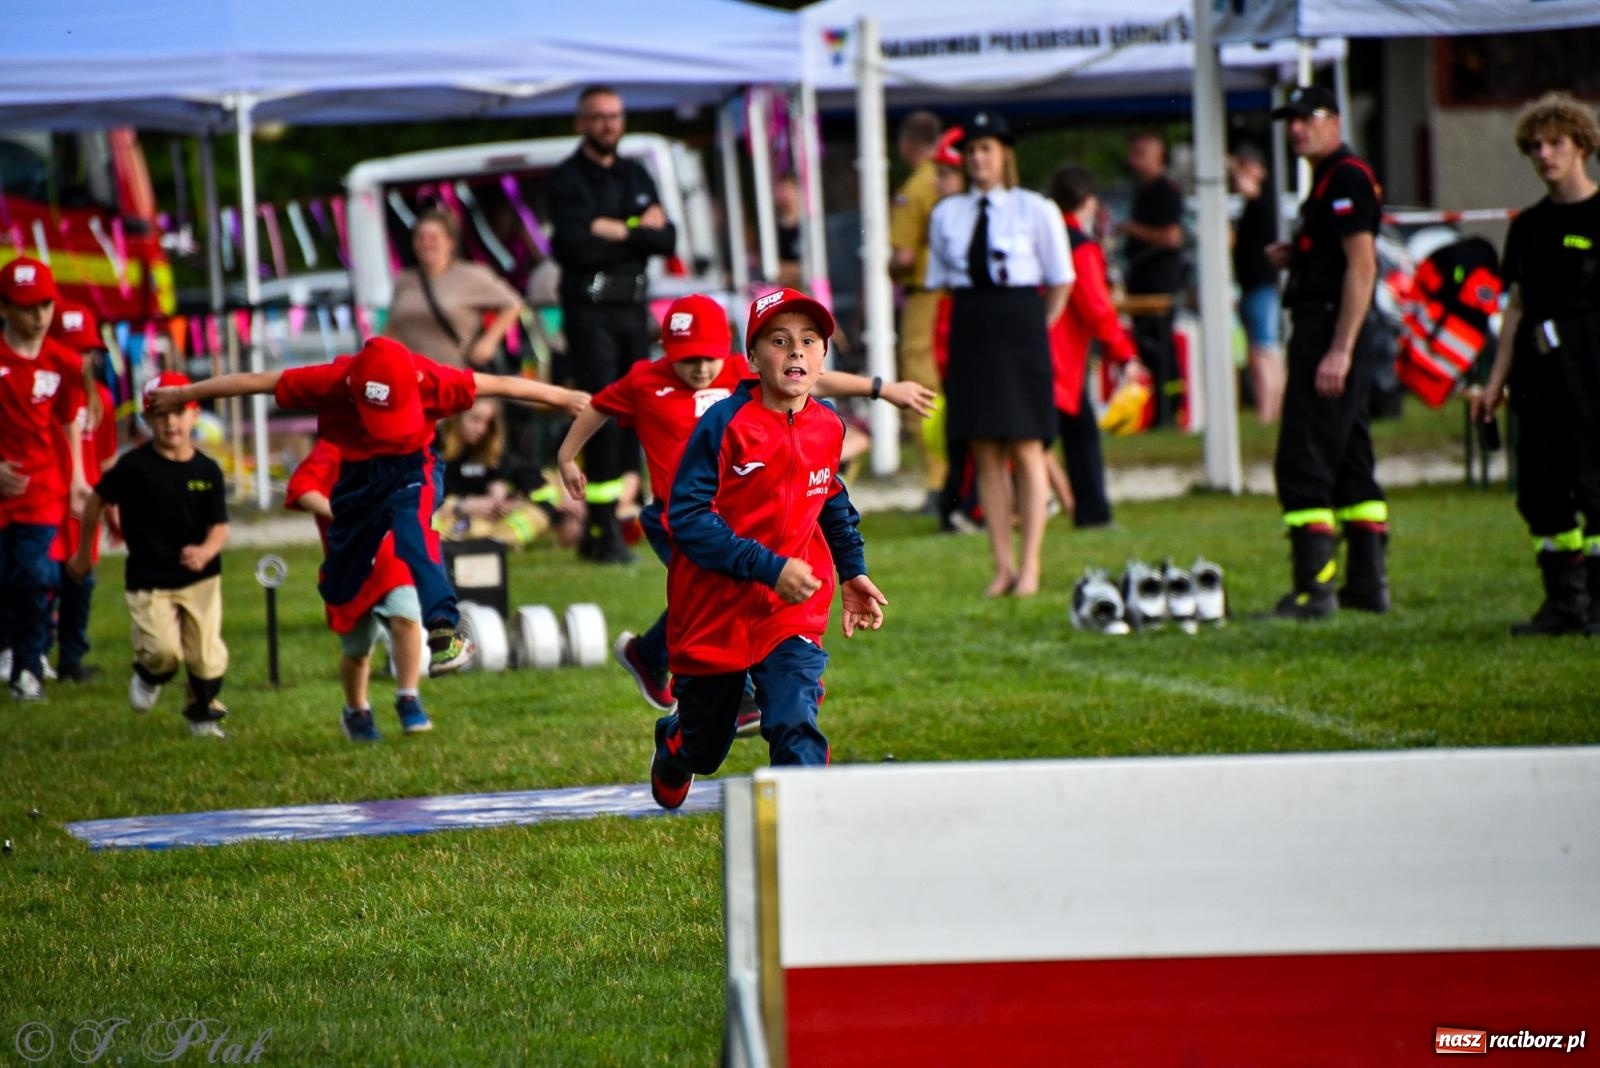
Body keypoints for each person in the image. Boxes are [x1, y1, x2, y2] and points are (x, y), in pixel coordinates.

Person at [556, 292, 931, 725]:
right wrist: (567, 456)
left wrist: (882, 389)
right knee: (708, 591)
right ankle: (738, 696)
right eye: (687, 359)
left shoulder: (746, 372)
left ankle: (652, 657)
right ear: (667, 353)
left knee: (722, 588)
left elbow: (816, 378)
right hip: (675, 518)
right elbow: (598, 406)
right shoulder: (645, 381)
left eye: (709, 358)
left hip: (735, 516)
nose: (700, 369)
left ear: (734, 351)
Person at [145, 337, 591, 674]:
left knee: (413, 534)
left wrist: (564, 397)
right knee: (340, 585)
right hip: (357, 479)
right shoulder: (333, 379)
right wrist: (186, 396)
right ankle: (349, 583)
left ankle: (443, 632)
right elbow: (255, 382)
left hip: (413, 468)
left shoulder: (433, 378)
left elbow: (502, 383)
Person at [646, 289, 888, 810]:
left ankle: (805, 827)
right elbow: (686, 518)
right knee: (708, 746)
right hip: (713, 610)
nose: (795, 352)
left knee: (794, 717)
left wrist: (852, 572)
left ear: (823, 358)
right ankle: (675, 742)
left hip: (790, 610)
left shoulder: (828, 425)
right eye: (779, 341)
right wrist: (767, 566)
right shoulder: (724, 424)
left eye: (808, 341)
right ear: (753, 358)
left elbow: (831, 498)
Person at [924, 111, 1074, 598]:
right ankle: (1002, 566)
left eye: (986, 148)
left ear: (1004, 154)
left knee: (1029, 446)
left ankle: (1030, 565)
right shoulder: (947, 212)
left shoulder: (1035, 208)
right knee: (984, 448)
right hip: (972, 322)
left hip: (1021, 321)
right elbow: (938, 279)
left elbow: (1061, 280)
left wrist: (1036, 324)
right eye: (970, 151)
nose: (977, 158)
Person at [1471, 92, 1600, 636]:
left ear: (1582, 148)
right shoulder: (1527, 228)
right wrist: (1495, 381)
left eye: (1556, 144)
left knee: (1596, 488)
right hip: (1537, 378)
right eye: (1536, 146)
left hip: (1592, 374)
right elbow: (1517, 306)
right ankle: (1563, 603)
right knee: (1541, 489)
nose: (1545, 155)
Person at [1266, 85, 1387, 619]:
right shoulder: (1326, 182)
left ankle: (1315, 590)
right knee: (1351, 458)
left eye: (1307, 117)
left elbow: (1363, 266)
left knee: (1304, 455)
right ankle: (1367, 584)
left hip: (1332, 330)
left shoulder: (1346, 177)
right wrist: (1300, 254)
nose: (1296, 128)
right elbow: (1338, 255)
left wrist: (1339, 349)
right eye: (1290, 119)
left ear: (1334, 121)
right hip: (1328, 324)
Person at [548, 85, 676, 564]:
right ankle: (598, 530)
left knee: (637, 412)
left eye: (615, 116)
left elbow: (667, 238)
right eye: (598, 117)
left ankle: (626, 520)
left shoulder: (635, 172)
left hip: (632, 312)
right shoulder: (567, 180)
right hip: (590, 312)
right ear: (581, 123)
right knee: (601, 410)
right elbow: (573, 248)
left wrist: (615, 228)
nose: (608, 124)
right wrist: (638, 229)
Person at [69, 373, 230, 736]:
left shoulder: (208, 471)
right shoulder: (133, 467)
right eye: (159, 414)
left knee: (206, 656)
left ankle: (202, 713)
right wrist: (82, 555)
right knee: (162, 651)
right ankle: (149, 673)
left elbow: (219, 527)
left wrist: (204, 552)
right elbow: (95, 501)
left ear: (194, 414)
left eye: (178, 412)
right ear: (147, 419)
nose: (170, 422)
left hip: (200, 576)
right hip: (149, 576)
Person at [286, 440, 429, 741]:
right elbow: (302, 489)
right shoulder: (335, 446)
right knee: (357, 650)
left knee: (406, 614)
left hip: (393, 552)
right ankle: (356, 711)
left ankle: (408, 697)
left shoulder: (400, 437)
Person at [0, 257, 87, 702]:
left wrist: (76, 479)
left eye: (45, 306)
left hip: (42, 490)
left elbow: (70, 419)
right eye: (27, 306)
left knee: (33, 577)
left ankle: (27, 667)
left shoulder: (65, 362)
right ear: (4, 308)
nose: (38, 317)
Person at [1047, 165, 1140, 529]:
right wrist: (1124, 354)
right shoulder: (1079, 247)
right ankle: (1092, 513)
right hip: (1062, 358)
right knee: (1071, 439)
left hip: (1037, 352)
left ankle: (1087, 511)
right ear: (1088, 202)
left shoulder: (1043, 238)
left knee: (1052, 438)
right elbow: (1096, 307)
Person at [47, 301, 119, 681]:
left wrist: (113, 505)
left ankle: (72, 659)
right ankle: (35, 652)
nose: (81, 359)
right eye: (73, 350)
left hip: (84, 509)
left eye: (87, 350)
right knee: (41, 581)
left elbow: (106, 459)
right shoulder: (44, 396)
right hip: (49, 503)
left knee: (81, 581)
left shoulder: (102, 400)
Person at [889, 109, 948, 511]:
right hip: (952, 296)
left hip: (924, 297)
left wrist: (886, 266)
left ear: (906, 145)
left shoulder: (915, 188)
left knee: (921, 386)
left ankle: (937, 481)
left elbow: (905, 257)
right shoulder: (949, 181)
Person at [435, 398, 584, 550]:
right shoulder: (436, 450)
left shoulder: (492, 450)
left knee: (539, 508)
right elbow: (428, 497)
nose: (481, 429)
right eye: (475, 420)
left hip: (489, 518)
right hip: (449, 513)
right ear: (456, 418)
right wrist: (461, 505)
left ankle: (488, 539)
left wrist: (508, 504)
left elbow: (506, 484)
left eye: (487, 423)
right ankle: (483, 539)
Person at [385, 209, 524, 371]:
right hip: (416, 376)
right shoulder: (404, 279)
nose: (426, 243)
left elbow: (513, 303)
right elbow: (393, 326)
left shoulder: (472, 275)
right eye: (420, 237)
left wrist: (489, 342)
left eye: (433, 238)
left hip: (458, 375)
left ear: (450, 243)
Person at [1119, 132, 1186, 428]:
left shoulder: (1166, 191)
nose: (1134, 158)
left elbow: (1172, 236)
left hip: (1160, 282)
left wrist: (1134, 230)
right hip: (1140, 281)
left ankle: (1169, 412)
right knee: (1146, 349)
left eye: (1141, 151)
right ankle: (1156, 412)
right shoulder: (1140, 190)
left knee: (1162, 350)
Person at [1230, 145, 1285, 424]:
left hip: (1261, 286)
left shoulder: (1263, 199)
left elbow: (1247, 186)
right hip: (1255, 286)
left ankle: (1268, 412)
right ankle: (1271, 411)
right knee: (1264, 350)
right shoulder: (1258, 204)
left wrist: (1233, 166)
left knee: (1264, 351)